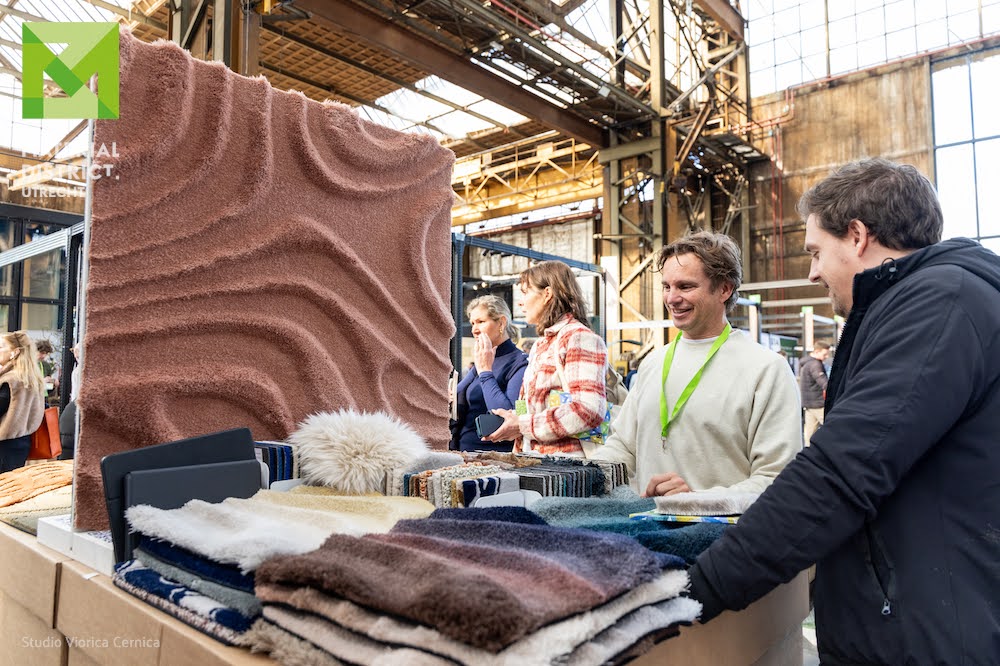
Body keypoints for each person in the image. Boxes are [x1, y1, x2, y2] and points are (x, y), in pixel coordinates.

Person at [686, 159, 1000, 663]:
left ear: (857, 236)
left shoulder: (939, 303)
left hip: (931, 639)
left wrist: (695, 589)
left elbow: (842, 472)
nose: (812, 271)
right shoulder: (923, 304)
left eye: (815, 252)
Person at [590, 231, 801, 496]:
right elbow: (623, 447)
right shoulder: (653, 363)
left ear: (724, 289)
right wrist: (578, 475)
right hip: (646, 521)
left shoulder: (766, 370)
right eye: (667, 286)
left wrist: (695, 502)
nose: (672, 298)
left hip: (725, 524)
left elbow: (777, 479)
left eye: (685, 286)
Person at [483, 260, 607, 456]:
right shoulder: (541, 344)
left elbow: (588, 409)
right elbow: (528, 404)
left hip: (567, 466)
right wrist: (512, 419)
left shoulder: (579, 338)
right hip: (534, 460)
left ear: (547, 294)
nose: (520, 302)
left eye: (525, 292)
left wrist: (523, 424)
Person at [450, 295, 528, 452]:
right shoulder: (481, 360)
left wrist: (485, 371)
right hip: (462, 452)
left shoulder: (520, 363)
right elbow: (457, 401)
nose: (474, 330)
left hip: (497, 456)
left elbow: (509, 416)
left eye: (481, 322)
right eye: (472, 323)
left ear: (501, 323)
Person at [0, 331, 47, 473]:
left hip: (4, 445)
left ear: (15, 352)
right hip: (22, 442)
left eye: (1, 346)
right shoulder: (32, 379)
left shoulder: (10, 380)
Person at [799, 340, 831, 443]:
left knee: (809, 434)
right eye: (825, 354)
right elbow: (824, 383)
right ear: (817, 351)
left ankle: (808, 452)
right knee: (833, 427)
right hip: (818, 403)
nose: (827, 357)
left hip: (808, 403)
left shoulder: (806, 363)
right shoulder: (815, 364)